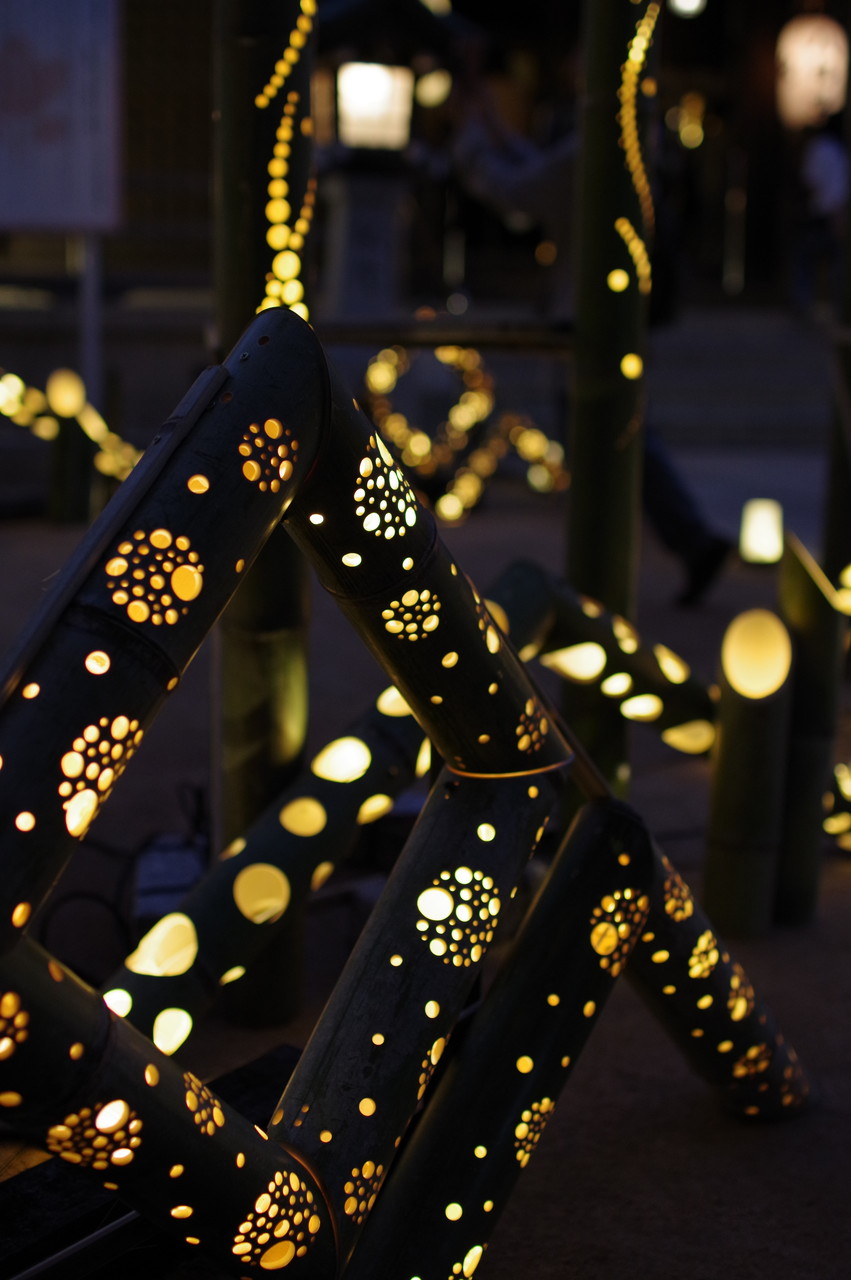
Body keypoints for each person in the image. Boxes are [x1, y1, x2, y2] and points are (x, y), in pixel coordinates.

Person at [450, 74, 733, 607]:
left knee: (600, 443)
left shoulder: (597, 145)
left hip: (583, 312)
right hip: (614, 311)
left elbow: (519, 190)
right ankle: (675, 546)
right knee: (621, 434)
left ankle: (604, 576)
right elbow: (539, 169)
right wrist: (490, 120)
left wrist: (470, 139)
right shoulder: (631, 140)